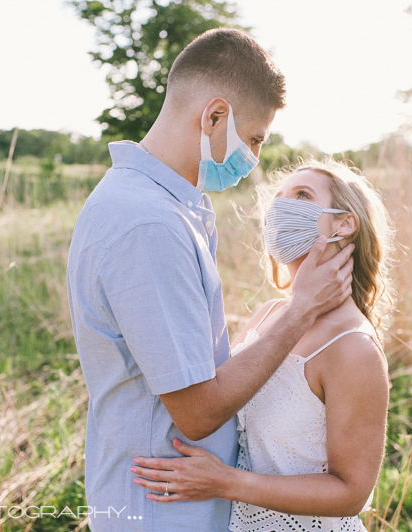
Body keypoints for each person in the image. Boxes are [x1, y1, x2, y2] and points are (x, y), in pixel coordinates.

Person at [66, 29, 355, 531]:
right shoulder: (148, 224)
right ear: (215, 116)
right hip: (163, 511)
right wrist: (300, 310)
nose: (256, 158)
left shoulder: (169, 206)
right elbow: (197, 413)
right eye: (255, 138)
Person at [129, 159, 394, 532]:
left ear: (344, 223)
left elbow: (351, 493)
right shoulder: (270, 314)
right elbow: (215, 397)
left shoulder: (353, 348)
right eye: (279, 200)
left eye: (302, 195)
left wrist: (225, 482)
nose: (282, 209)